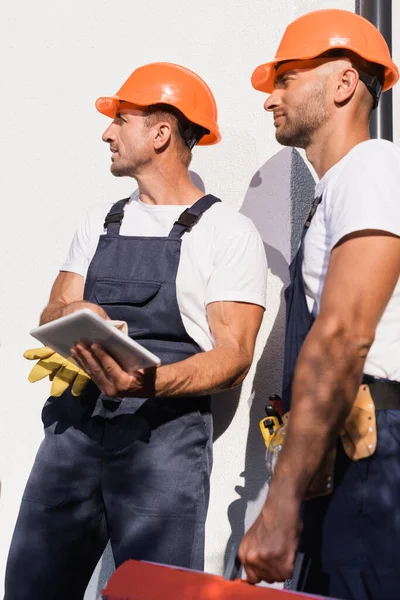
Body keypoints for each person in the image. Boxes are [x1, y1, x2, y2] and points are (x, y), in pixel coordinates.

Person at [5, 62, 268, 600]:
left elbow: (235, 355)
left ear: (161, 133)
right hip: (72, 432)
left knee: (156, 594)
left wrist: (146, 381)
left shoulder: (228, 234)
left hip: (162, 442)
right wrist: (80, 319)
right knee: (32, 588)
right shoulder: (101, 221)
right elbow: (53, 307)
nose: (107, 133)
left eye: (120, 120)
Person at [239, 9, 400, 600]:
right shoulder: (338, 188)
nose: (269, 99)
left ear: (343, 83)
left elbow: (341, 336)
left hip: (374, 456)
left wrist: (278, 506)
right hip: (349, 457)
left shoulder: (371, 167)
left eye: (286, 78)